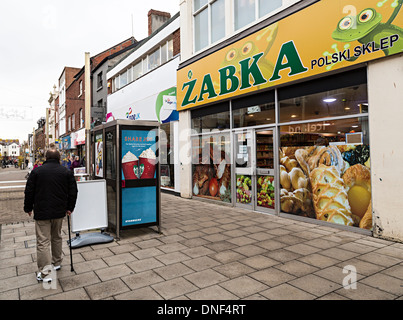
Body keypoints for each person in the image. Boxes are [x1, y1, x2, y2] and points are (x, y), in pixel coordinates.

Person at [24, 148, 78, 282]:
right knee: (57, 237)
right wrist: (70, 207)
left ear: (45, 158)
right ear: (59, 158)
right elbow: (73, 191)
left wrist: (28, 208)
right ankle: (57, 262)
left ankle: (46, 273)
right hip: (59, 212)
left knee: (43, 241)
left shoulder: (36, 172)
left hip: (42, 212)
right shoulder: (66, 172)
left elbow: (29, 191)